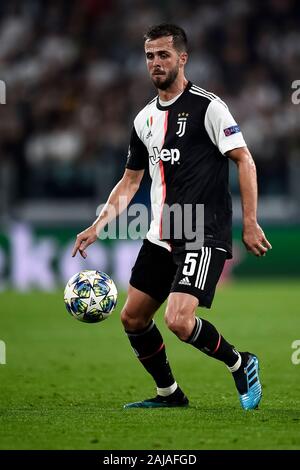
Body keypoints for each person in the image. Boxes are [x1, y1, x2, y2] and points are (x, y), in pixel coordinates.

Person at [72, 24, 272, 410]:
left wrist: (250, 221)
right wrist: (98, 225)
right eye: (149, 55)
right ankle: (170, 395)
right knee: (132, 318)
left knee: (179, 321)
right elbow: (130, 182)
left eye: (163, 54)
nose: (155, 63)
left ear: (183, 58)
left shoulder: (208, 107)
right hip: (162, 233)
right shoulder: (143, 119)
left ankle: (240, 362)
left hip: (201, 228)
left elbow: (244, 159)